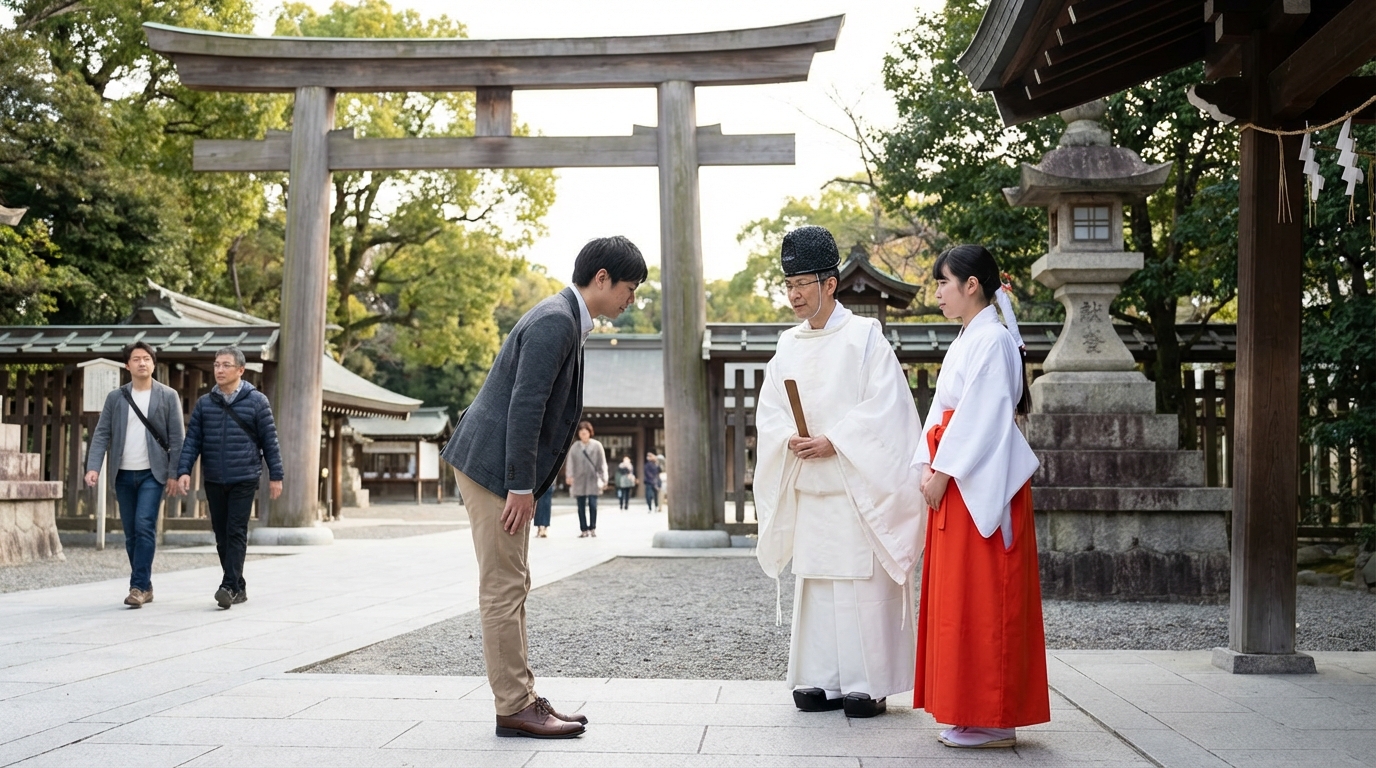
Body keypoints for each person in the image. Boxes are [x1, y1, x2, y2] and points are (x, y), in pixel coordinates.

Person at [439, 236, 645, 739]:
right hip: (493, 467)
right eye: (630, 288)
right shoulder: (555, 321)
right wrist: (519, 486)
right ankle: (514, 705)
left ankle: (523, 696)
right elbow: (525, 407)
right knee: (504, 586)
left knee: (514, 581)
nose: (631, 300)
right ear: (601, 279)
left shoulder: (564, 318)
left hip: (492, 463)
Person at [754, 225, 926, 719]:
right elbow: (771, 413)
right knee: (818, 581)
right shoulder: (787, 344)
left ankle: (866, 682)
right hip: (810, 487)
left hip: (855, 488)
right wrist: (789, 437)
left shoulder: (865, 338)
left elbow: (887, 412)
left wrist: (837, 440)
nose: (794, 294)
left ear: (830, 284)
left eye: (803, 283)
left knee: (858, 584)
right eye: (788, 284)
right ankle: (821, 677)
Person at [912, 244, 1049, 749]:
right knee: (960, 601)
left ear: (972, 285)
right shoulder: (976, 336)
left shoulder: (991, 339)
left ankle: (994, 715)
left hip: (978, 484)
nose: (939, 292)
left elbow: (982, 419)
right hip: (958, 477)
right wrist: (928, 465)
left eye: (944, 282)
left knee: (986, 598)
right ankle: (971, 711)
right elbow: (944, 413)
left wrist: (943, 472)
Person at [177, 346, 284, 610]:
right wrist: (183, 470)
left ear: (240, 370)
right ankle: (239, 586)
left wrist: (276, 475)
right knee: (221, 535)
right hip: (214, 476)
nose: (219, 370)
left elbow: (270, 441)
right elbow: (192, 441)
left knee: (236, 530)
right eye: (216, 365)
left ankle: (227, 585)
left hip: (245, 475)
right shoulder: (204, 403)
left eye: (225, 365)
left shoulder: (257, 401)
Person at [84, 342, 185, 608]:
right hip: (123, 474)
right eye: (136, 359)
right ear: (127, 365)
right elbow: (102, 433)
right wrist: (93, 467)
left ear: (153, 364)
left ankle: (137, 586)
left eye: (147, 359)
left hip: (154, 473)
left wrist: (175, 472)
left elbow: (177, 437)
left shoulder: (168, 395)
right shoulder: (116, 397)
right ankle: (146, 584)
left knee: (144, 525)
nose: (142, 363)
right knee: (131, 533)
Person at [564, 421, 607, 537]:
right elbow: (570, 463)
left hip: (592, 478)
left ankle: (593, 527)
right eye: (581, 433)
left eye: (585, 433)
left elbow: (602, 463)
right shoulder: (575, 447)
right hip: (579, 479)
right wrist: (569, 475)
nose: (583, 435)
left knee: (593, 504)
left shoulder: (597, 446)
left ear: (589, 433)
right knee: (580, 505)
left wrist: (604, 478)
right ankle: (583, 529)